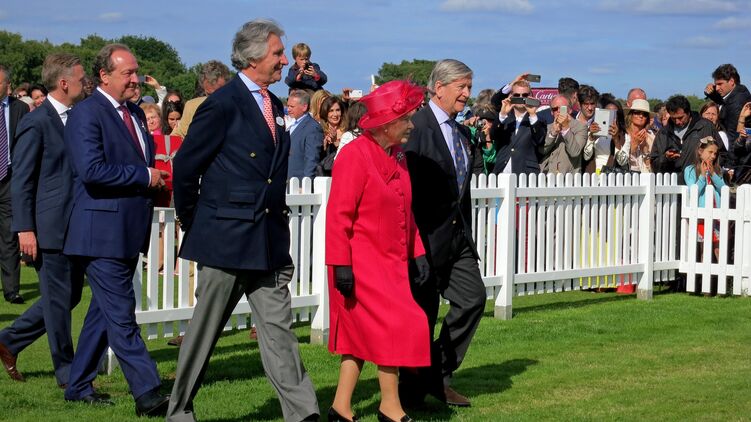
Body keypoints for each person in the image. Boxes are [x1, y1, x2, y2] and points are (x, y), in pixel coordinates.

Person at [168, 19, 319, 422]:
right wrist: (194, 222)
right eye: (277, 53)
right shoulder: (222, 104)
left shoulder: (274, 104)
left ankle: (303, 414)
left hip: (268, 240)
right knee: (204, 334)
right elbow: (186, 168)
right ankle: (179, 411)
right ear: (253, 58)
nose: (284, 60)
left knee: (280, 334)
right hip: (225, 241)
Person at [61, 43, 170, 415]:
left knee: (104, 313)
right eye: (128, 73)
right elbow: (91, 170)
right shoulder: (86, 113)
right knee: (122, 313)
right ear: (104, 76)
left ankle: (78, 384)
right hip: (99, 232)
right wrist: (143, 176)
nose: (135, 79)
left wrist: (153, 180)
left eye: (136, 71)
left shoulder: (135, 113)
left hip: (127, 230)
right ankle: (147, 391)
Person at [326, 79, 429, 422]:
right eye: (406, 119)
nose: (412, 125)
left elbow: (405, 208)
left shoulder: (398, 155)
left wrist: (417, 253)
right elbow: (338, 216)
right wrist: (341, 264)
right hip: (360, 263)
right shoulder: (354, 155)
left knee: (360, 337)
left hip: (391, 263)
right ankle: (390, 407)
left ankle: (340, 408)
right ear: (386, 124)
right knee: (397, 326)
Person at [402, 59, 486, 408]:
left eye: (469, 87)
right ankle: (410, 393)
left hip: (457, 238)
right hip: (424, 240)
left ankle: (436, 374)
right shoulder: (416, 127)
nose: (467, 94)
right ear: (439, 88)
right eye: (461, 87)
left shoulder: (462, 132)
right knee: (421, 317)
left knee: (473, 299)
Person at [0, 53, 86, 386]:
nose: (85, 83)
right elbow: (21, 180)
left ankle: (9, 340)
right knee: (58, 302)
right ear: (64, 83)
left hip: (74, 225)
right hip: (47, 228)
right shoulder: (36, 122)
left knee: (68, 297)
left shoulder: (78, 117)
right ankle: (67, 372)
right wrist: (24, 229)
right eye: (80, 78)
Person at [0, 64, 29, 304]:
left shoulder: (20, 109)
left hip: (10, 178)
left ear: (7, 85)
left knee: (9, 236)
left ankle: (11, 290)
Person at [650, 95, 723, 182]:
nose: (677, 121)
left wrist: (709, 166)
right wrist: (666, 158)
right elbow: (654, 164)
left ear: (688, 113)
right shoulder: (663, 133)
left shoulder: (706, 127)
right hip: (672, 185)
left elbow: (722, 154)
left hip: (700, 183)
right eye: (673, 118)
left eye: (680, 117)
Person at [492, 79, 546, 175]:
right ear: (511, 96)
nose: (521, 98)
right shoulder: (503, 117)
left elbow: (540, 140)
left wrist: (532, 114)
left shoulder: (538, 119)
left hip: (526, 173)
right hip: (502, 171)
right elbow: (493, 136)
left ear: (530, 96)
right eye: (517, 95)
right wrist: (503, 114)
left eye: (525, 95)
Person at [684, 137, 725, 260]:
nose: (713, 156)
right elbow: (693, 191)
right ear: (700, 151)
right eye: (710, 152)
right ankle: (704, 272)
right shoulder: (690, 170)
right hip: (702, 216)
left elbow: (723, 189)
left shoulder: (717, 170)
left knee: (719, 249)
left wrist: (713, 174)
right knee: (705, 249)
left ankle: (721, 272)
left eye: (715, 153)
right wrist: (702, 176)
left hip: (717, 214)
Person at [704, 64, 751, 146]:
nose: (717, 88)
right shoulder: (737, 92)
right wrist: (710, 93)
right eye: (715, 85)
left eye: (720, 84)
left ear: (731, 81)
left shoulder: (737, 103)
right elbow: (723, 101)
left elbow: (733, 137)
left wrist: (728, 155)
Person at [541, 95, 587, 174]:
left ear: (570, 110)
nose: (558, 111)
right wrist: (553, 134)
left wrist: (566, 128)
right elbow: (542, 151)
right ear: (551, 112)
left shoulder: (580, 127)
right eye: (555, 109)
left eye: (562, 108)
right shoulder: (548, 127)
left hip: (568, 177)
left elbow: (574, 152)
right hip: (546, 175)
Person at [583, 96, 628, 174]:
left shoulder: (625, 136)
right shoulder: (594, 132)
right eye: (607, 112)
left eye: (614, 113)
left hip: (612, 177)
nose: (610, 116)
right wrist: (591, 137)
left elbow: (622, 162)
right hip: (593, 175)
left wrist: (616, 140)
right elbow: (586, 157)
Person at [287, 89, 322, 179]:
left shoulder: (313, 127)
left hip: (300, 181)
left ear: (304, 107)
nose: (288, 109)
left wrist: (306, 182)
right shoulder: (293, 123)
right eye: (288, 106)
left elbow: (312, 158)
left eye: (292, 106)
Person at [317, 96, 347, 176]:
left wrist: (335, 141)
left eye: (338, 110)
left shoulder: (347, 132)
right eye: (331, 111)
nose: (335, 114)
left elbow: (347, 156)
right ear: (325, 113)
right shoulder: (319, 131)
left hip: (342, 173)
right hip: (323, 176)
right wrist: (323, 147)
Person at [624, 98, 656, 173]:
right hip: (626, 176)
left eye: (645, 114)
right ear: (631, 115)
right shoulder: (623, 135)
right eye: (637, 112)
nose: (641, 116)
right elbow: (620, 161)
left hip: (645, 176)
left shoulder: (651, 138)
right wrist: (634, 145)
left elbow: (652, 169)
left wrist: (645, 152)